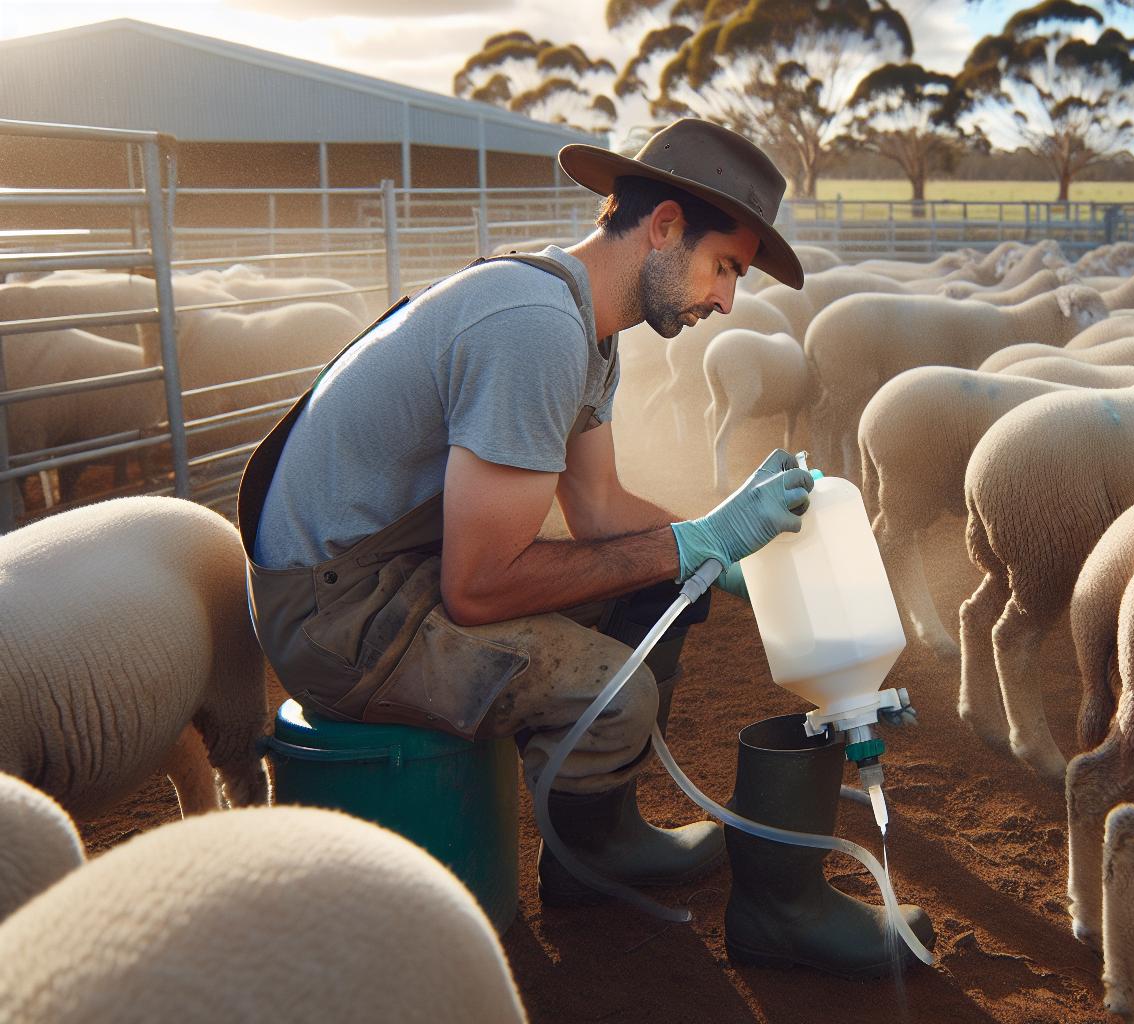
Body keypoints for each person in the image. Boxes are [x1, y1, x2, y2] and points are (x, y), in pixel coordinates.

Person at [236, 119, 814, 905]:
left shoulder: (580, 320)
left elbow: (600, 508)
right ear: (665, 226)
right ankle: (588, 866)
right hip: (339, 617)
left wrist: (722, 546)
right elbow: (478, 587)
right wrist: (690, 543)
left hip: (385, 573)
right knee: (616, 692)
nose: (726, 298)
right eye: (725, 267)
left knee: (666, 588)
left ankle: (606, 822)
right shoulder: (536, 328)